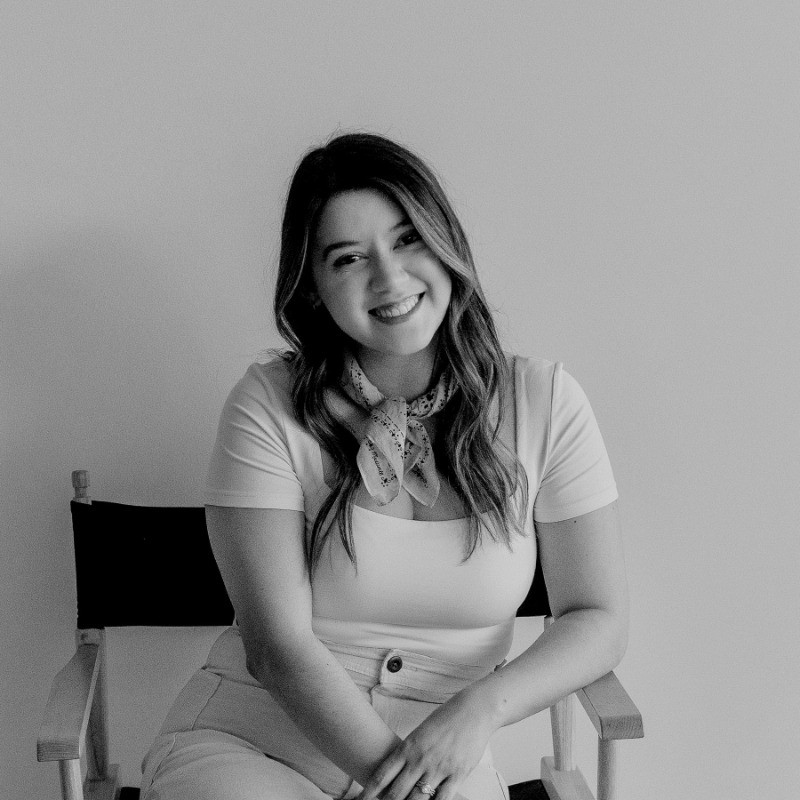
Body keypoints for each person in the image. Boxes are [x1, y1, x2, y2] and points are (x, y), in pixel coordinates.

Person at [140, 132, 628, 800]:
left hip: (443, 765)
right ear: (313, 288)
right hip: (252, 747)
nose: (390, 279)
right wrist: (401, 788)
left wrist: (480, 708)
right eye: (347, 258)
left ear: (446, 242)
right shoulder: (267, 406)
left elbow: (598, 617)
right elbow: (276, 649)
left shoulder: (545, 403)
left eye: (408, 240)